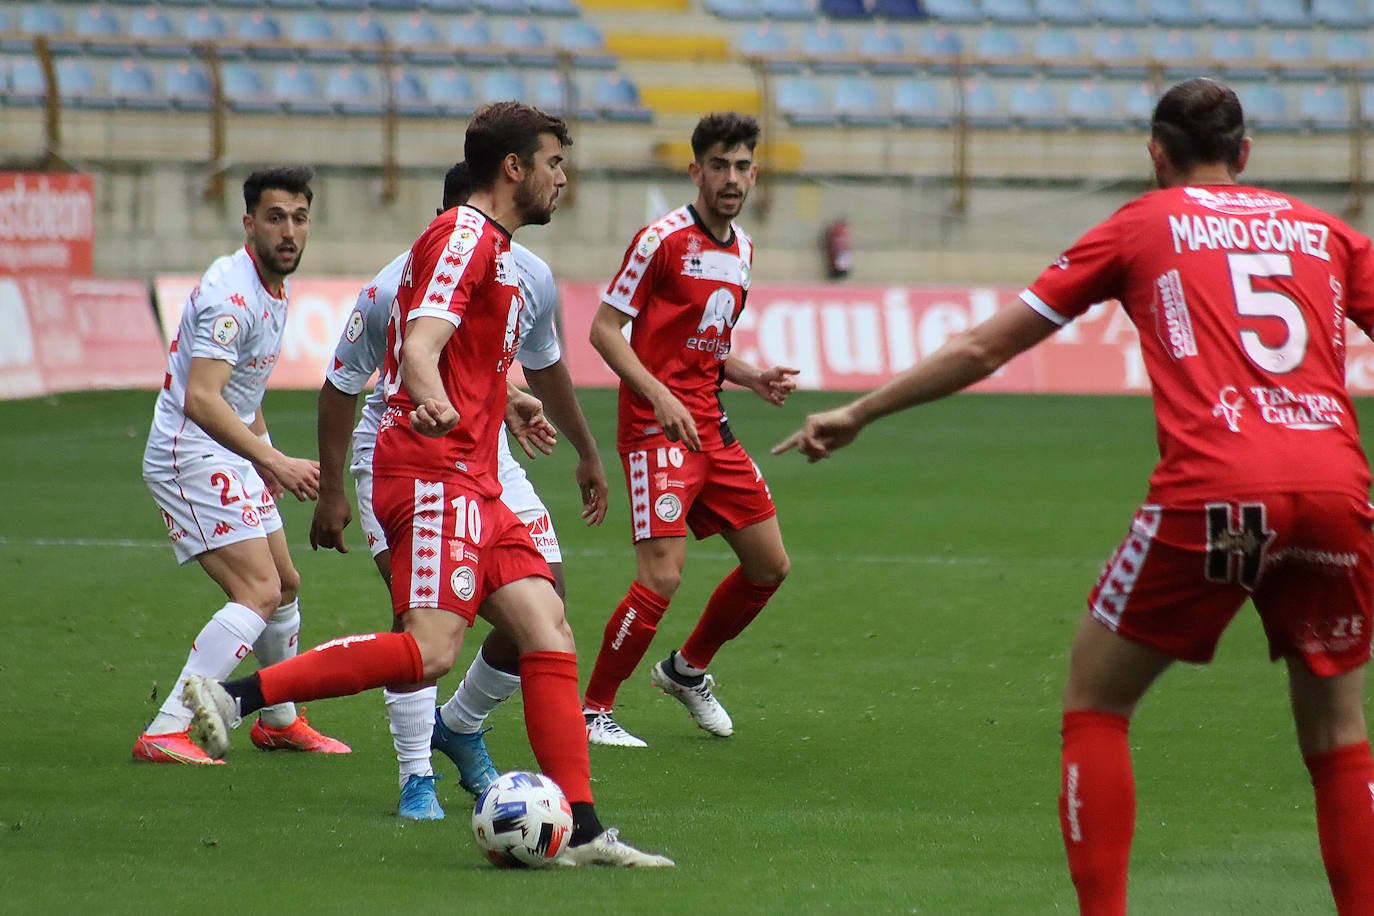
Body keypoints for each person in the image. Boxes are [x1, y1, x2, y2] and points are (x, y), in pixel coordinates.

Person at [773, 78, 1374, 915]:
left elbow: (987, 348)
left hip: (1220, 489)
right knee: (1338, 734)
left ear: (1155, 153)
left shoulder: (1140, 224)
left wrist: (862, 411)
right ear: (1246, 153)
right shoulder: (1327, 232)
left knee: (1098, 700)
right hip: (1338, 490)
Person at [181, 102, 671, 867]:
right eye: (552, 164)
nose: (561, 179)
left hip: (477, 473)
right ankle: (236, 697)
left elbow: (465, 347)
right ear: (513, 168)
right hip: (430, 469)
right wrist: (429, 387)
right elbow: (421, 341)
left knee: (547, 628)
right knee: (431, 650)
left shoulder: (500, 251)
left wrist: (501, 399)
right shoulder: (464, 235)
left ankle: (584, 826)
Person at [310, 160, 608, 820]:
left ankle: (462, 723)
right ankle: (416, 771)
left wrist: (582, 447)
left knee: (547, 596)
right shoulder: (392, 287)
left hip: (487, 449)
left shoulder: (528, 274)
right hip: (401, 449)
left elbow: (538, 365)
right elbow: (341, 387)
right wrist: (333, 492)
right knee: (419, 610)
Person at [579, 112, 799, 748]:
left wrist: (752, 376)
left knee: (769, 564)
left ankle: (686, 670)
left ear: (753, 174)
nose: (731, 178)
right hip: (655, 427)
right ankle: (593, 710)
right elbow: (603, 330)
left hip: (710, 424)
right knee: (662, 576)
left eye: (742, 167)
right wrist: (657, 393)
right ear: (695, 170)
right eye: (719, 166)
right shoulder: (661, 240)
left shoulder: (745, 251)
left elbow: (704, 346)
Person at [135, 166, 350, 765]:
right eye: (276, 217)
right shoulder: (232, 297)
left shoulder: (272, 286)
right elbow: (202, 398)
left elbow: (242, 396)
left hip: (230, 450)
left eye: (300, 218)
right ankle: (167, 726)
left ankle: (278, 720)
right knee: (256, 590)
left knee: (285, 586)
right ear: (249, 222)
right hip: (188, 453)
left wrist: (262, 456)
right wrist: (273, 460)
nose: (289, 231)